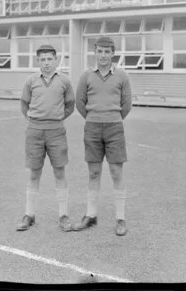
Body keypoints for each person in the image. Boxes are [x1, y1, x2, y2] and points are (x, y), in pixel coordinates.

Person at [74, 36, 132, 236]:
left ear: (113, 53)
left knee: (116, 173)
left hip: (115, 128)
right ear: (95, 53)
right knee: (93, 173)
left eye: (107, 52)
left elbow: (126, 105)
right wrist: (94, 117)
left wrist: (112, 117)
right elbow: (80, 103)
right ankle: (90, 215)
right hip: (92, 128)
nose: (103, 55)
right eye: (100, 51)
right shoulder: (86, 75)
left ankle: (120, 218)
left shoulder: (122, 76)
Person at [16, 44, 75, 232]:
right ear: (38, 61)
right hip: (35, 131)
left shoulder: (64, 80)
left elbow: (70, 105)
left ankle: (63, 216)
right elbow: (24, 103)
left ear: (56, 60)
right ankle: (29, 215)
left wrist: (56, 119)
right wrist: (34, 120)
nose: (47, 63)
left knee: (59, 172)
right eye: (43, 59)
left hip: (56, 131)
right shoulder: (31, 80)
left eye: (50, 59)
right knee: (34, 173)